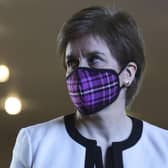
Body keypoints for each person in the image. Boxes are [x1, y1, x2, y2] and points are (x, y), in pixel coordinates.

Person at [10, 6, 168, 168]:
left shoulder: (164, 147)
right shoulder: (34, 143)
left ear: (128, 73)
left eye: (94, 59)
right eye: (72, 62)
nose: (79, 71)